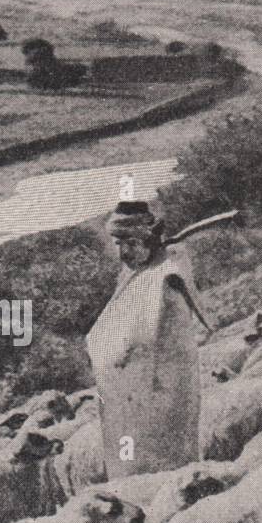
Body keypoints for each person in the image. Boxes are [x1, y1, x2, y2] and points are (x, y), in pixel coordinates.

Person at [85, 199, 210, 479]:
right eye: (117, 244)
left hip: (159, 393)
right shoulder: (139, 272)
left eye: (129, 242)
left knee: (162, 468)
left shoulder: (166, 279)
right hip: (130, 399)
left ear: (150, 238)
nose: (123, 252)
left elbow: (144, 342)